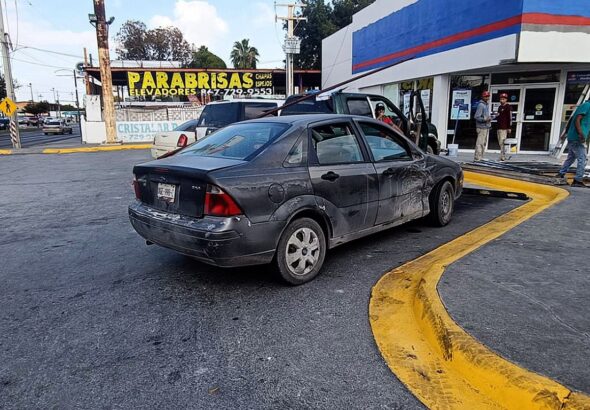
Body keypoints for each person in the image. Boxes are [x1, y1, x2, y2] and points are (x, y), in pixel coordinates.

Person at [557, 100, 590, 187]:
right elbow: (577, 119)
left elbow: (572, 119)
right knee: (582, 159)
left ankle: (561, 174)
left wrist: (565, 133)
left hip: (574, 137)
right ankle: (577, 180)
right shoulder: (587, 105)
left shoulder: (584, 106)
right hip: (577, 137)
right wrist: (580, 133)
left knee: (571, 157)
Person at [474, 91, 492, 161]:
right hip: (481, 127)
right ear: (482, 97)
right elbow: (476, 116)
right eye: (485, 96)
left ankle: (481, 157)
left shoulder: (486, 105)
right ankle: (477, 158)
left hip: (485, 126)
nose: (487, 97)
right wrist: (485, 119)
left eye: (488, 96)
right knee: (480, 143)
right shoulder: (481, 105)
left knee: (483, 143)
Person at [496, 93, 512, 161]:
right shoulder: (500, 107)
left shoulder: (508, 107)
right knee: (500, 142)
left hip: (504, 127)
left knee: (503, 142)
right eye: (501, 99)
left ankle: (503, 156)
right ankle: (502, 155)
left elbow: (510, 118)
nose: (502, 100)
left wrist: (509, 127)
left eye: (503, 99)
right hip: (499, 127)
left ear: (506, 99)